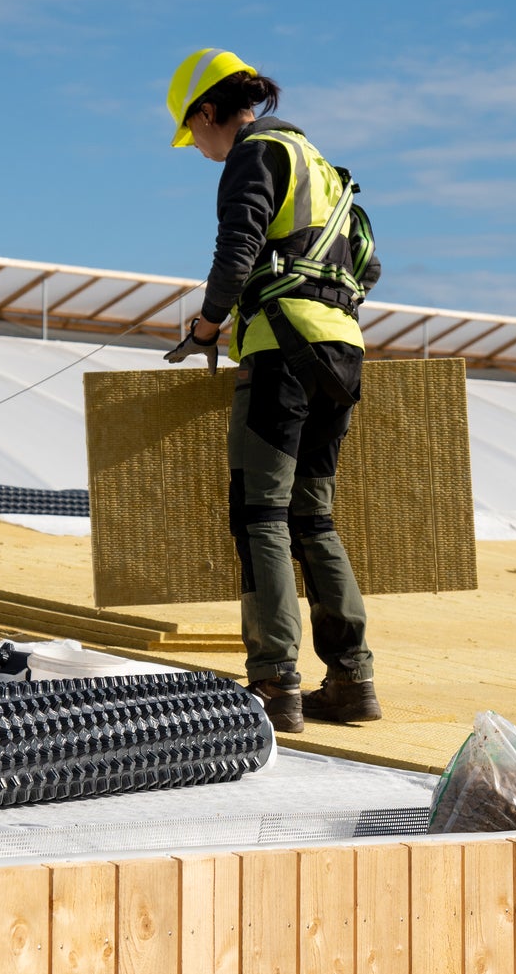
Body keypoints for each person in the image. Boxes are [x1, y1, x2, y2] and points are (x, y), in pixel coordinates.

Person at [163, 48, 381, 734]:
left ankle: (274, 682)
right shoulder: (321, 165)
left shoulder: (254, 153)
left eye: (193, 132)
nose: (198, 147)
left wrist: (205, 327)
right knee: (313, 517)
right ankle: (352, 680)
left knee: (260, 514)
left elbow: (236, 251)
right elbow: (369, 264)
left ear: (208, 112)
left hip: (282, 351)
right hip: (342, 352)